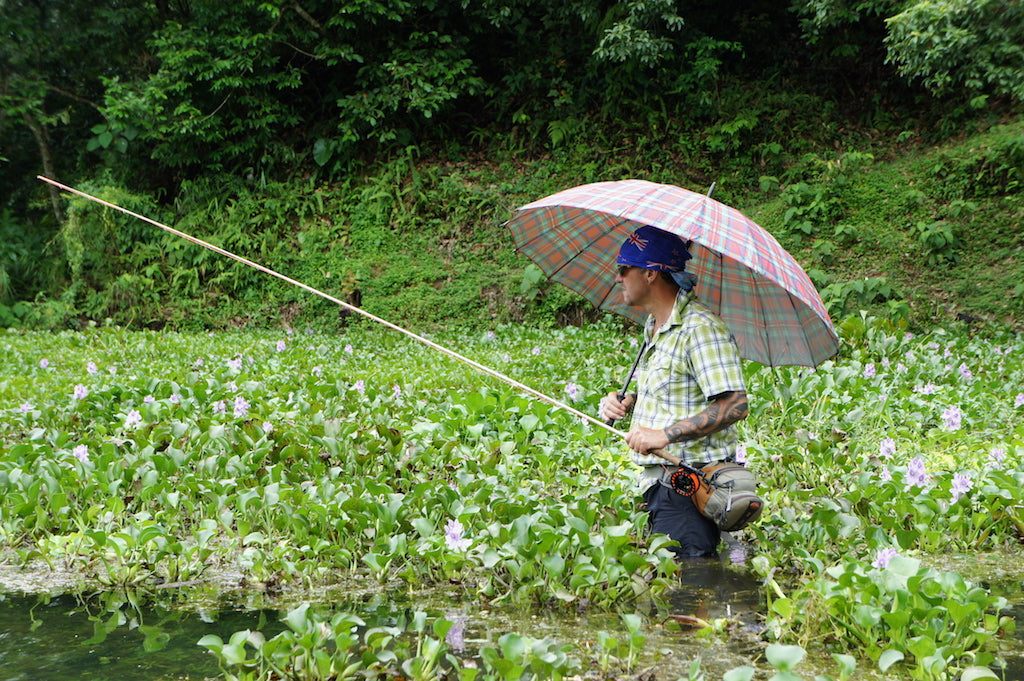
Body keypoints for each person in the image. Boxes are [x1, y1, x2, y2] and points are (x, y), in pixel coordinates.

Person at [598, 225, 748, 558]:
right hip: (658, 485)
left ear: (651, 274)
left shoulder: (700, 328)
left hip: (687, 488)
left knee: (688, 594)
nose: (618, 278)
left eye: (624, 269)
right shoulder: (655, 327)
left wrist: (663, 435)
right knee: (674, 593)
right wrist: (626, 402)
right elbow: (675, 393)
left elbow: (735, 405)